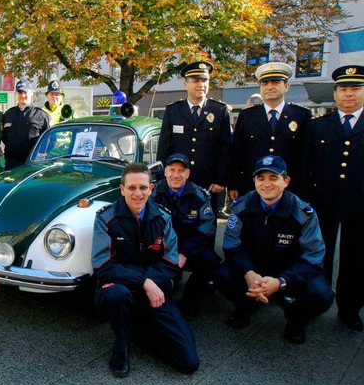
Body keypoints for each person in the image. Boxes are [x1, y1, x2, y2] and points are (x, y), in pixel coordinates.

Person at [92, 163, 200, 377]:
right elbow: (102, 265)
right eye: (131, 188)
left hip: (153, 294)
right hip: (122, 292)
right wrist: (144, 282)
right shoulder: (105, 218)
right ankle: (121, 345)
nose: (138, 193)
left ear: (151, 188)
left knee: (189, 362)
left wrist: (144, 283)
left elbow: (170, 262)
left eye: (142, 187)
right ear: (122, 190)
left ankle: (135, 329)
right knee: (116, 294)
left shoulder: (162, 218)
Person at [215, 155, 334, 344]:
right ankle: (245, 307)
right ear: (254, 181)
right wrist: (248, 273)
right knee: (222, 275)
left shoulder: (304, 214)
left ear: (286, 181)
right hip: (254, 268)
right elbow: (232, 245)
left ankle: (295, 320)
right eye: (261, 178)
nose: (266, 184)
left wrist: (281, 281)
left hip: (288, 271)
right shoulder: (240, 207)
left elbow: (313, 256)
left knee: (321, 295)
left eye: (273, 178)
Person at [300, 65, 364, 331]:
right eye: (343, 89)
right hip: (321, 203)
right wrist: (304, 203)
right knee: (319, 255)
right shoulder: (317, 127)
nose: (349, 95)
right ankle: (317, 300)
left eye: (355, 89)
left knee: (356, 259)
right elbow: (305, 167)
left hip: (360, 206)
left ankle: (349, 308)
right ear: (335, 94)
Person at [151, 153, 222, 318]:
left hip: (189, 249)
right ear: (165, 172)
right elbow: (147, 225)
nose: (176, 175)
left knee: (210, 261)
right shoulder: (152, 193)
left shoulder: (200, 196)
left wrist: (184, 253)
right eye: (172, 170)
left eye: (181, 171)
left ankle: (190, 297)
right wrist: (167, 252)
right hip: (162, 247)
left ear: (188, 174)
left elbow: (206, 230)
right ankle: (163, 286)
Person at [157, 61, 231, 213]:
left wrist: (220, 180)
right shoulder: (173, 110)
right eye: (196, 81)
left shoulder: (219, 110)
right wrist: (165, 180)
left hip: (208, 184)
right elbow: (164, 148)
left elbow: (225, 149)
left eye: (204, 81)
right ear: (186, 84)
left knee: (206, 229)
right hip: (178, 184)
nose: (201, 85)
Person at [229, 62, 311, 199]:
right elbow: (237, 153)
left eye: (275, 82)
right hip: (252, 187)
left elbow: (306, 156)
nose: (269, 87)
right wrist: (233, 184)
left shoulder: (301, 115)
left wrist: (304, 191)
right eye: (265, 83)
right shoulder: (247, 115)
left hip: (289, 189)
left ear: (286, 86)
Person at [2, 80, 50, 170]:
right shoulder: (8, 114)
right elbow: (5, 137)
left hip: (32, 163)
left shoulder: (41, 115)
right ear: (16, 93)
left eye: (25, 92)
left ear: (31, 92)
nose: (22, 95)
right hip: (12, 164)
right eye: (20, 92)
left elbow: (49, 139)